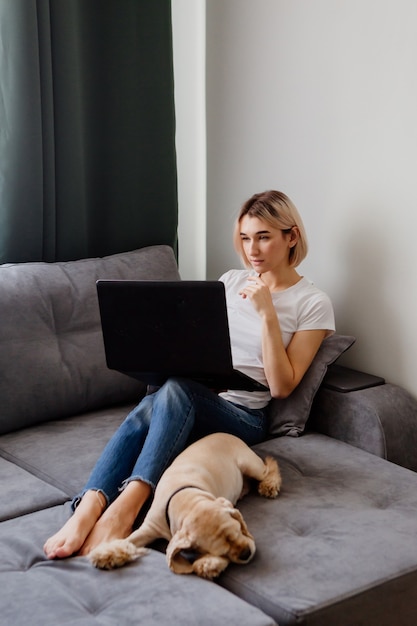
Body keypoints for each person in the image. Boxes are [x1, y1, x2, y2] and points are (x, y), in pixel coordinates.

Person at [44, 189, 335, 560]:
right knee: (161, 395)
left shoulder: (313, 303)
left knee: (174, 391)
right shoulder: (230, 281)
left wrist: (268, 314)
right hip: (195, 394)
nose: (252, 250)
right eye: (245, 238)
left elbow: (281, 386)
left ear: (291, 236)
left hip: (244, 415)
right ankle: (89, 507)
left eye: (264, 236)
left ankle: (123, 507)